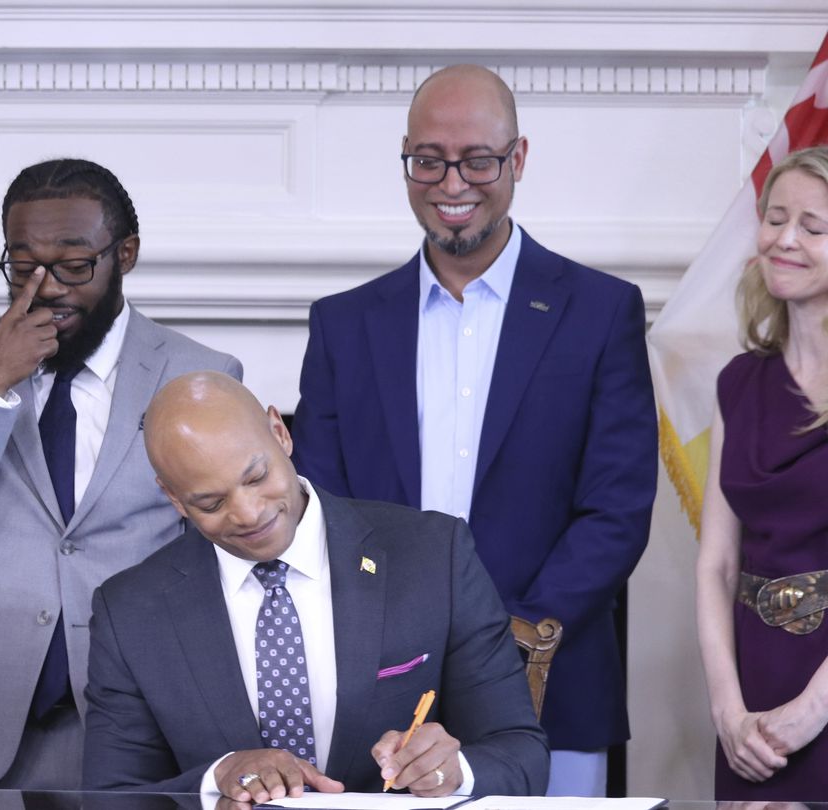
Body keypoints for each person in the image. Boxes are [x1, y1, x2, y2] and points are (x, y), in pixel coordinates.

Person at [290, 64, 655, 795]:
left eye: (477, 160)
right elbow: (325, 509)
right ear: (407, 159)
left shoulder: (601, 311)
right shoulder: (343, 324)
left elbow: (616, 510)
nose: (451, 182)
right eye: (429, 160)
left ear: (517, 160)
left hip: (556, 688)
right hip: (380, 697)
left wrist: (519, 639)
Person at [0, 158, 242, 789]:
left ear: (124, 255)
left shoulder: (201, 374)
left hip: (143, 709)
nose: (46, 286)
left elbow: (225, 553)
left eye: (74, 266)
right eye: (23, 266)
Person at [82, 371, 547, 797]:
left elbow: (520, 754)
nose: (247, 514)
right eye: (210, 501)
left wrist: (452, 769)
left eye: (256, 476)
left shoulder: (432, 555)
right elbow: (112, 796)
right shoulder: (131, 611)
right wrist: (215, 776)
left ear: (280, 432)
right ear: (173, 497)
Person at [697, 146, 828, 800]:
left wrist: (813, 710)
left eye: (812, 226)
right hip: (752, 693)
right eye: (775, 218)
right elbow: (717, 564)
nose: (784, 239)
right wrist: (727, 711)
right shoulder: (738, 382)